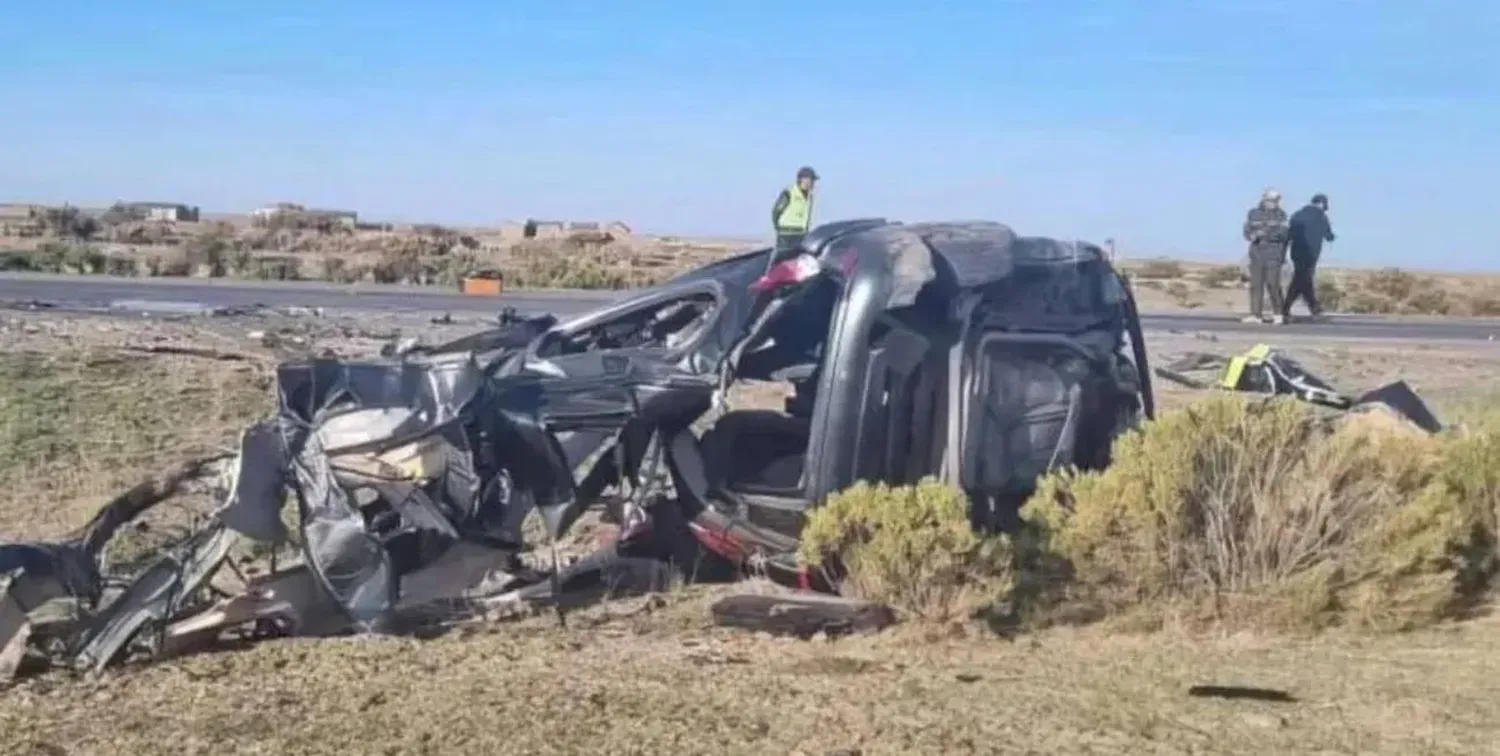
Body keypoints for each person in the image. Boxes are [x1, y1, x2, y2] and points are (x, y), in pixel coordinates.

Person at [1282, 193, 1336, 321]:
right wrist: (1333, 236)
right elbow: (1328, 236)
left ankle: (1313, 307)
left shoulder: (1298, 214)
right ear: (1322, 204)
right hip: (1311, 253)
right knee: (1302, 280)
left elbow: (1289, 234)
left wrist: (1283, 252)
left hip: (1296, 252)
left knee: (1303, 279)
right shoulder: (1321, 216)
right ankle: (1287, 307)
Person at [1241, 187, 1291, 324]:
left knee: (1273, 284)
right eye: (1270, 200)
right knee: (1256, 285)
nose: (1272, 203)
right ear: (1264, 199)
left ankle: (1278, 314)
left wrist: (1265, 234)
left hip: (1274, 255)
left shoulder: (1281, 215)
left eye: (1275, 200)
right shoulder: (1253, 214)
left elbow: (1284, 234)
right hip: (1256, 254)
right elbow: (1247, 230)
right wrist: (1252, 235)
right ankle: (1256, 315)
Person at [770, 166, 818, 260]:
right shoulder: (789, 193)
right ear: (802, 180)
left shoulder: (810, 197)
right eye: (811, 180)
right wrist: (779, 228)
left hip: (801, 235)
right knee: (781, 263)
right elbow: (776, 212)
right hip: (786, 235)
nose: (813, 183)